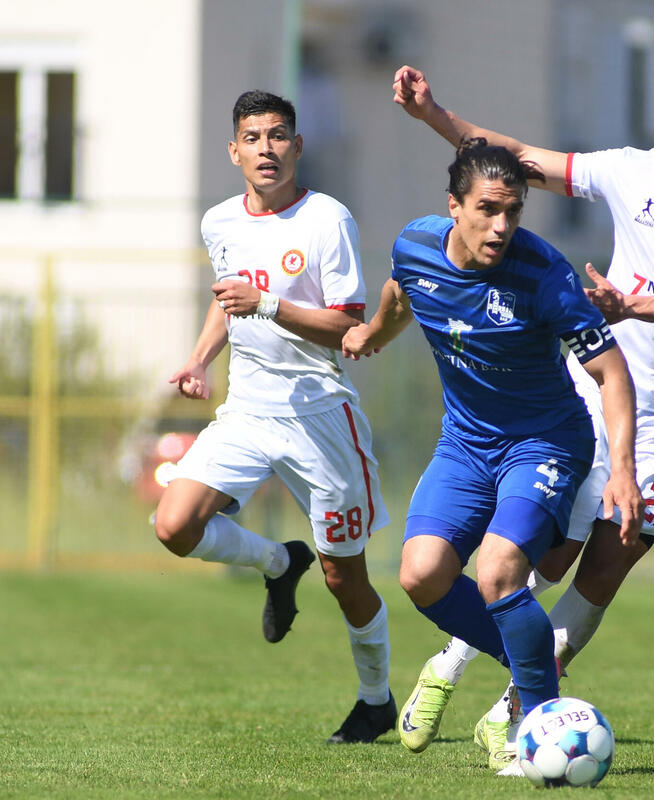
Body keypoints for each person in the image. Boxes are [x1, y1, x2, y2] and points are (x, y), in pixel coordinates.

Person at [389, 62, 654, 767]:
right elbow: (520, 160)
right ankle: (448, 667)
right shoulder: (634, 172)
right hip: (587, 390)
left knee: (605, 567)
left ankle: (515, 715)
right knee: (541, 558)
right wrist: (434, 115)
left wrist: (631, 304)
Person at [340, 139, 642, 773]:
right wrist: (373, 331)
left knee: (499, 571)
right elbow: (401, 293)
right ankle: (531, 659)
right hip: (466, 443)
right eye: (488, 210)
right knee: (421, 575)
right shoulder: (415, 245)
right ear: (454, 206)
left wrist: (622, 470)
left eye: (513, 212)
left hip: (546, 442)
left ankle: (536, 723)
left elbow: (612, 372)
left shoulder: (544, 274)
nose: (502, 226)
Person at [153, 90, 397, 743]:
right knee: (173, 524)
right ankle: (278, 563)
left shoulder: (327, 219)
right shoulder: (219, 223)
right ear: (234, 151)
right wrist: (200, 359)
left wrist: (266, 303)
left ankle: (376, 700)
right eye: (254, 138)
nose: (267, 148)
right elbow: (227, 300)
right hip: (248, 409)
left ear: (297, 146)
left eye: (279, 135)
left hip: (320, 416)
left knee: (345, 575)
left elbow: (347, 327)